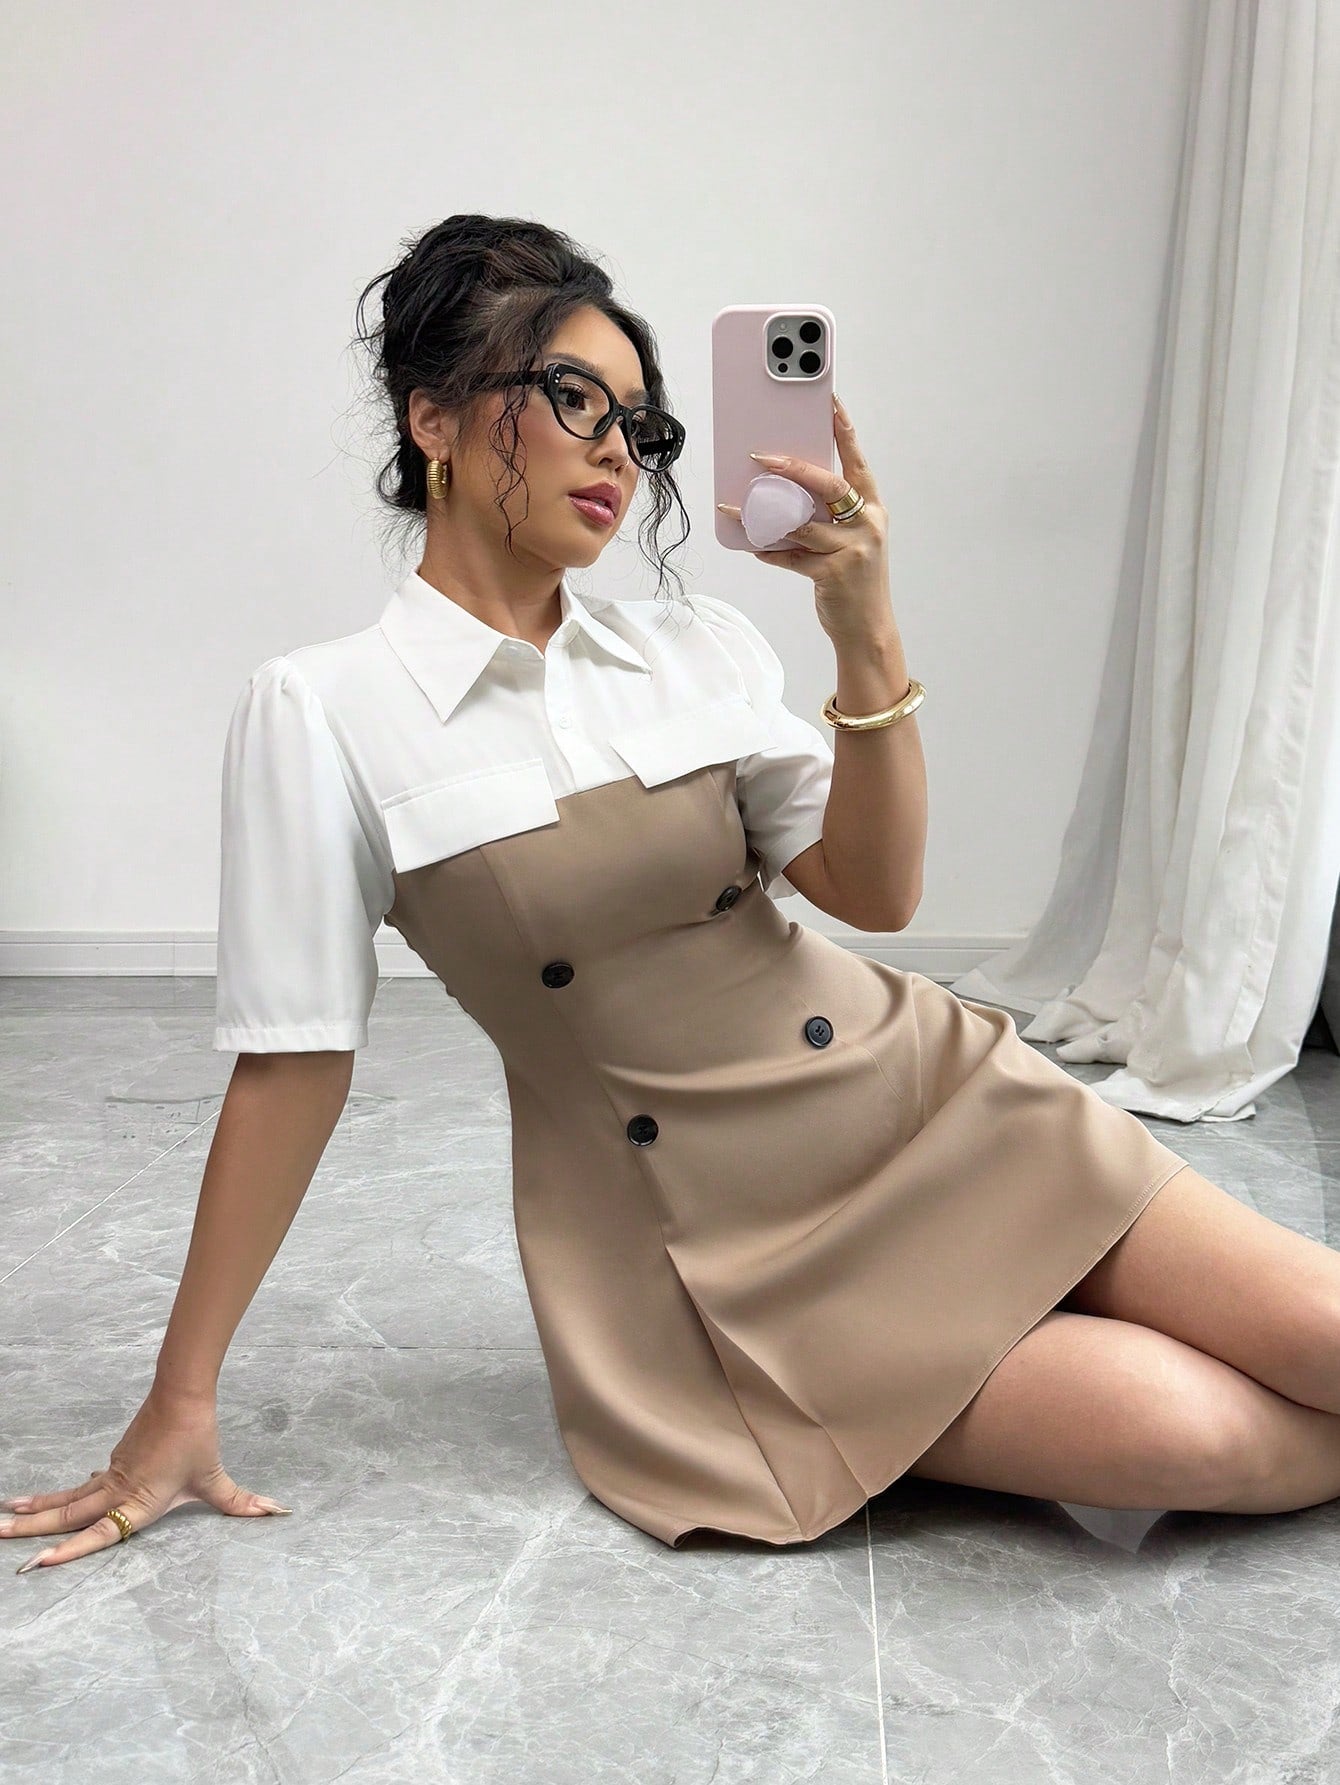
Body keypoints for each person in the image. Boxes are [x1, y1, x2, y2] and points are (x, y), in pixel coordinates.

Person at [13, 215, 1340, 1575]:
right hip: (732, 1245)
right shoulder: (325, 710)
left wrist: (864, 624)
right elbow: (292, 1065)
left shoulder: (693, 645)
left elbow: (875, 892)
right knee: (1196, 1437)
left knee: (1325, 1336)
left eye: (638, 425)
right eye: (573, 399)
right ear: (434, 418)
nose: (616, 451)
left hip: (933, 1104)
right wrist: (181, 1397)